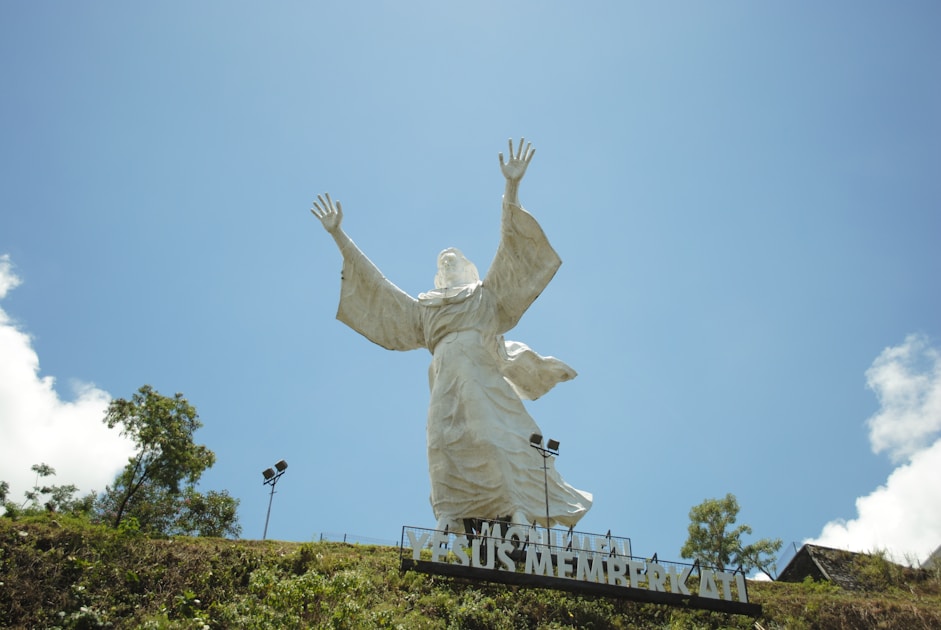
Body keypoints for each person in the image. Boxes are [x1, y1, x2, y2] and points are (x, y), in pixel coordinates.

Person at [311, 139, 592, 533]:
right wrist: (339, 235)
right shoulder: (425, 310)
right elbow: (379, 288)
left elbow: (510, 244)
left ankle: (518, 512)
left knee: (493, 439)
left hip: (480, 375)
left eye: (453, 259)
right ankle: (449, 516)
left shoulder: (485, 296)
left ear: (466, 267)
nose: (447, 263)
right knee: (442, 444)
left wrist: (511, 187)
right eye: (442, 262)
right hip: (443, 380)